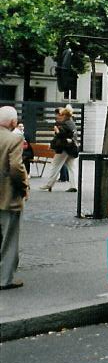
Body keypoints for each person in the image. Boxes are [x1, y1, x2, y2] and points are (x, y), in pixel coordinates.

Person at [0, 105, 29, 289]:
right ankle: (5, 279)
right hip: (8, 196)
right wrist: (24, 187)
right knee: (9, 238)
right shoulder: (13, 139)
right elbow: (16, 168)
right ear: (12, 122)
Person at [41, 106, 79, 192]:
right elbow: (71, 136)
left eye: (59, 115)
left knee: (55, 166)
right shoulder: (72, 123)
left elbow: (61, 136)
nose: (57, 117)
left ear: (64, 116)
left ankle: (49, 184)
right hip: (72, 148)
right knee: (72, 167)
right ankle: (74, 186)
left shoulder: (64, 124)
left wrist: (57, 131)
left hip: (63, 148)